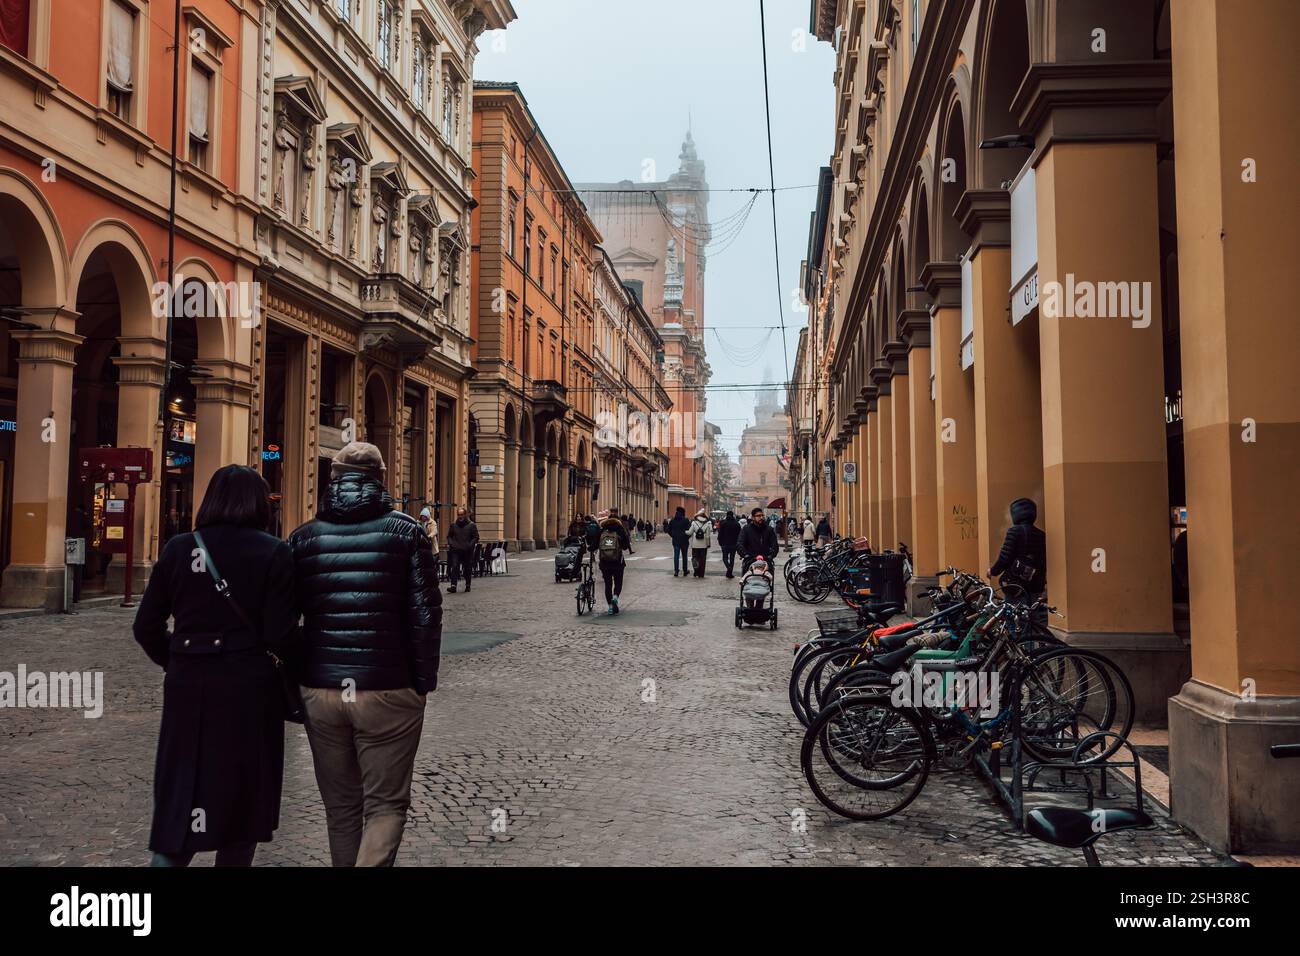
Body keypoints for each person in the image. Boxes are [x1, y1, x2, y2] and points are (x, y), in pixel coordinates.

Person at [134, 464, 298, 868]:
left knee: (181, 799)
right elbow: (281, 634)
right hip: (248, 690)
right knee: (241, 808)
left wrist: (179, 659)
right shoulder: (273, 552)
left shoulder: (179, 548)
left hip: (188, 687)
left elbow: (146, 626)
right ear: (259, 506)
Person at [288, 442, 441, 867]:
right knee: (385, 806)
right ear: (381, 480)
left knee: (341, 810)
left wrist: (303, 678)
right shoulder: (408, 532)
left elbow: (285, 621)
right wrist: (422, 684)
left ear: (333, 479)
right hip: (388, 688)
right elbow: (426, 617)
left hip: (323, 690)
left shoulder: (303, 537)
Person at [987, 497, 1048, 625]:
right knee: (1031, 620)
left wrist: (992, 571)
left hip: (1017, 585)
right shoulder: (1041, 535)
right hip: (1035, 585)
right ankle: (1028, 644)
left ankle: (1015, 643)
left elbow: (1005, 557)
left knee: (1013, 619)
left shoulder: (1015, 531)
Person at [596, 508, 633, 615]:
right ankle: (616, 597)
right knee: (618, 582)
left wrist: (590, 548)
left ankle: (610, 607)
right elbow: (626, 547)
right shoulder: (620, 529)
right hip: (617, 561)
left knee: (608, 584)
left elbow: (595, 544)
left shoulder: (603, 529)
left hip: (604, 562)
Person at [445, 506, 480, 593]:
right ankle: (453, 586)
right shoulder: (453, 525)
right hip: (456, 550)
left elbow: (476, 537)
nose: (460, 516)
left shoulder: (471, 525)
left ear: (465, 515)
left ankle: (468, 585)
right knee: (455, 566)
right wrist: (451, 543)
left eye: (461, 515)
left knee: (467, 568)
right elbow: (449, 536)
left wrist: (470, 545)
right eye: (458, 515)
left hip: (467, 551)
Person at [738, 507, 779, 573]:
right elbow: (740, 543)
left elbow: (774, 544)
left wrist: (771, 556)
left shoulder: (769, 530)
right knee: (746, 579)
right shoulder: (746, 529)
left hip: (765, 560)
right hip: (750, 559)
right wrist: (745, 554)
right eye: (758, 516)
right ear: (753, 518)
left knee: (768, 579)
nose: (761, 517)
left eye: (762, 515)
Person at [687, 509, 713, 578]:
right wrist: (708, 544)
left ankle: (696, 571)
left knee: (695, 558)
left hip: (695, 545)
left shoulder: (694, 523)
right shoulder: (707, 523)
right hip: (704, 545)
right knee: (703, 560)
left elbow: (689, 532)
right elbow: (707, 536)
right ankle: (701, 574)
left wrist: (684, 532)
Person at [667, 506, 691, 577]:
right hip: (684, 541)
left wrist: (673, 535)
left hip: (676, 541)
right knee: (684, 556)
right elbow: (690, 531)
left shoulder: (672, 520)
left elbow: (668, 530)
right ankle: (685, 570)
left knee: (676, 556)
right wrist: (686, 537)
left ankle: (676, 571)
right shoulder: (686, 520)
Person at [717, 511, 741, 578]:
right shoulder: (736, 523)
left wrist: (719, 541)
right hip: (734, 544)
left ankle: (728, 568)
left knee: (725, 558)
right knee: (732, 559)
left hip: (724, 543)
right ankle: (729, 573)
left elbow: (720, 533)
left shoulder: (723, 523)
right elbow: (739, 534)